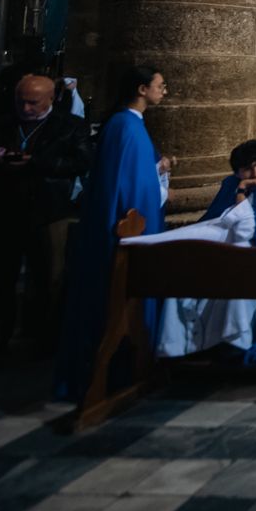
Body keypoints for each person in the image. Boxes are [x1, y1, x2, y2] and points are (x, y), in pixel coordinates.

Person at [55, 65, 171, 402]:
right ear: (141, 89)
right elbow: (126, 186)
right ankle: (116, 370)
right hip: (125, 229)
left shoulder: (129, 124)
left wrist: (156, 170)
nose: (164, 90)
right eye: (160, 85)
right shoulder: (125, 126)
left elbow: (131, 173)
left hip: (129, 224)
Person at [0, 74, 92, 357]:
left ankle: (42, 340)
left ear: (51, 98)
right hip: (4, 212)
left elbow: (83, 161)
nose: (26, 109)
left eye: (33, 103)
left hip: (49, 211)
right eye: (21, 102)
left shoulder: (70, 126)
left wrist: (36, 162)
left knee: (49, 279)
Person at [154, 139, 256, 362]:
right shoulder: (230, 183)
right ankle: (181, 345)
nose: (255, 172)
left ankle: (235, 341)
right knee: (182, 277)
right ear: (237, 171)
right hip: (220, 251)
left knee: (238, 281)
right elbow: (214, 219)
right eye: (247, 168)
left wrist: (241, 194)